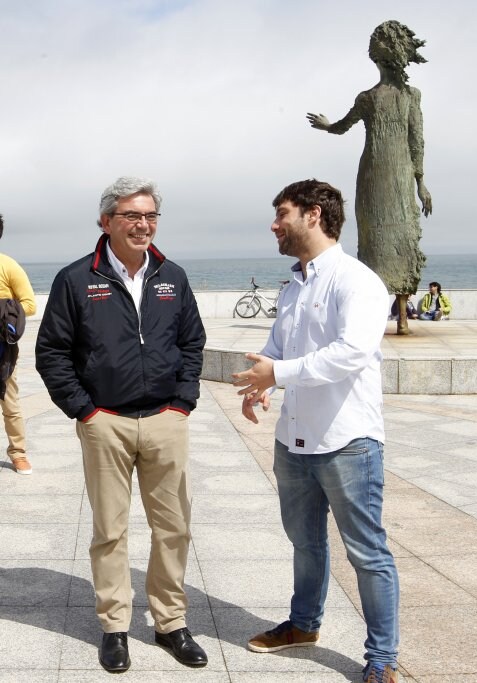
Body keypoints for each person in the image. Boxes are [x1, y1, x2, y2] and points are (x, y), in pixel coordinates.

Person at [35, 177, 207, 673]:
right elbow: (52, 352)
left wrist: (183, 402)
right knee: (110, 531)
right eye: (132, 215)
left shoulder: (172, 276)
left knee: (173, 528)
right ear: (106, 221)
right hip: (105, 422)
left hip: (165, 420)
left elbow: (192, 343)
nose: (143, 225)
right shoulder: (74, 280)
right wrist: (84, 411)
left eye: (151, 216)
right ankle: (114, 627)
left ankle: (170, 623)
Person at [232, 179, 400, 683]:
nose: (274, 224)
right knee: (305, 543)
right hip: (294, 440)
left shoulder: (357, 281)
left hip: (348, 442)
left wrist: (277, 375)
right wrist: (264, 382)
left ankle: (383, 658)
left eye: (281, 213)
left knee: (367, 553)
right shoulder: (294, 287)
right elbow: (279, 349)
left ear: (312, 214)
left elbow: (351, 353)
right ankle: (304, 625)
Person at [306, 20, 431, 304]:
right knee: (376, 233)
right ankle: (393, 306)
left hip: (392, 173)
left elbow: (416, 140)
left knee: (400, 229)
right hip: (376, 175)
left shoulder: (401, 96)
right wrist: (421, 181)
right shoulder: (373, 98)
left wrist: (420, 182)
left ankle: (395, 302)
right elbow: (418, 141)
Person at [0, 214, 36, 475]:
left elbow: (30, 305)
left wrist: (4, 311)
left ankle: (18, 452)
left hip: (2, 348)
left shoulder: (8, 266)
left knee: (10, 403)